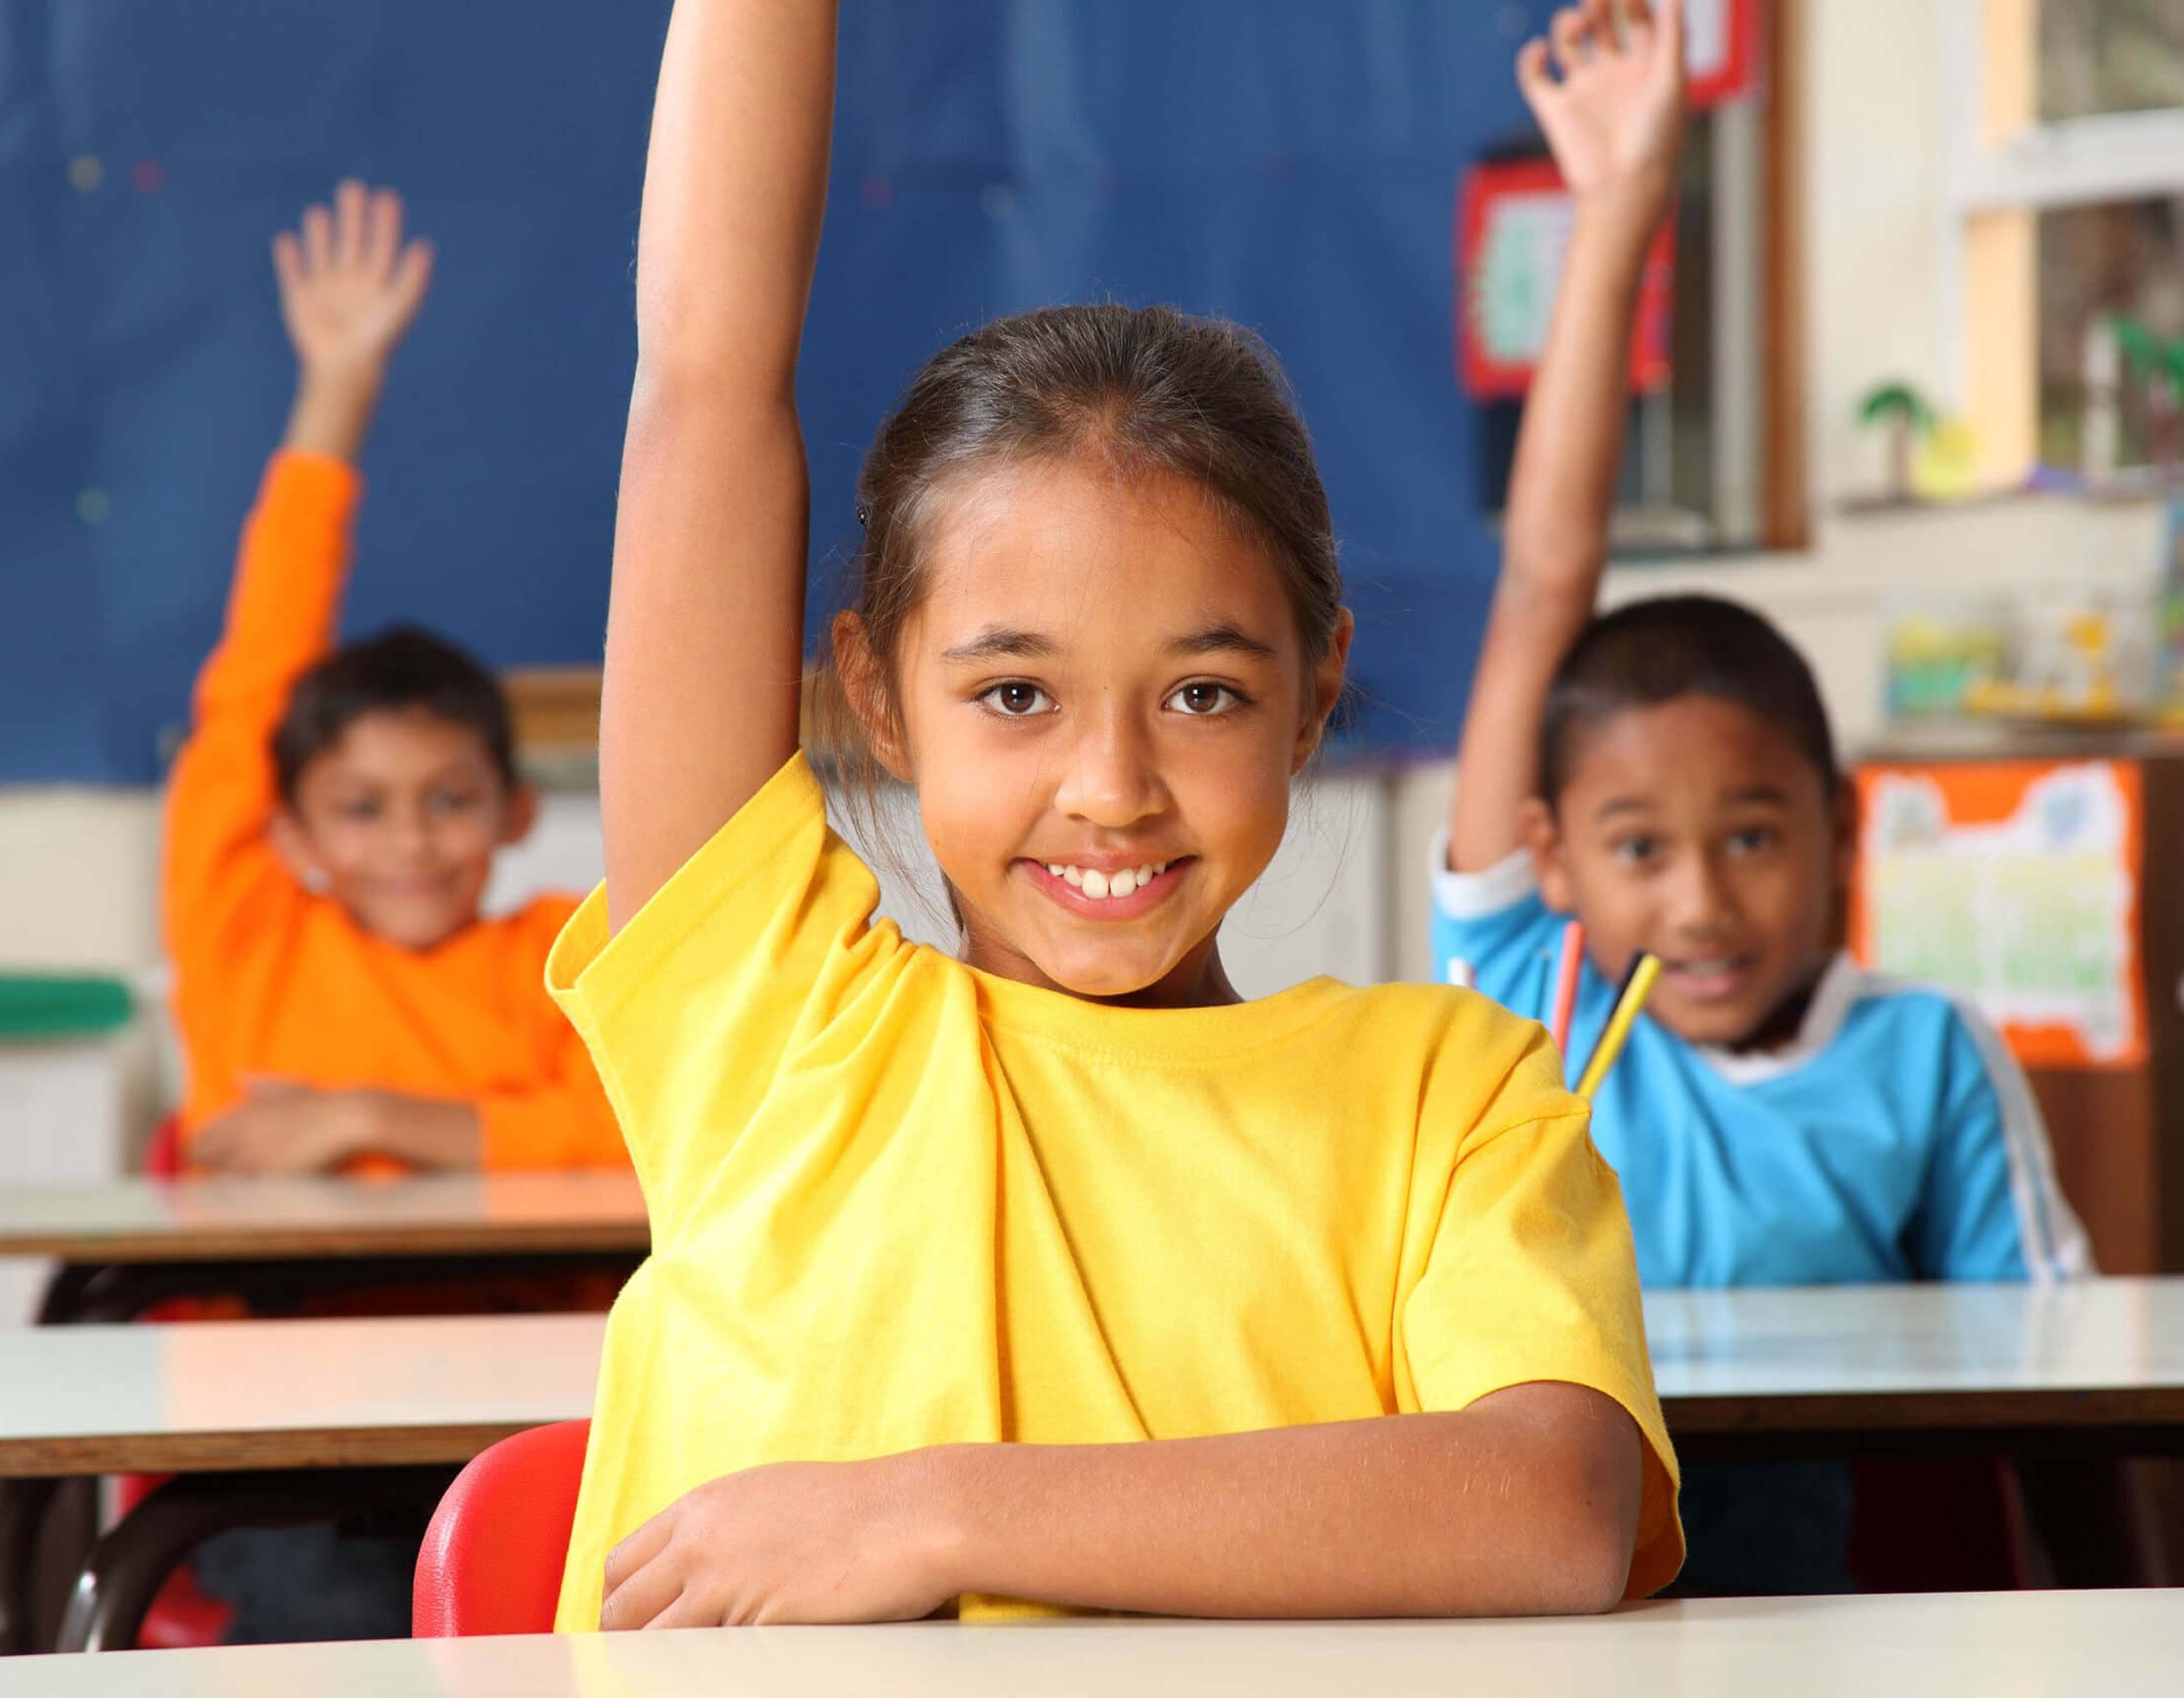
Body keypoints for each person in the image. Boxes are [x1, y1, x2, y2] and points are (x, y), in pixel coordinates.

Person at [543, 0, 1687, 1631]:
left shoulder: (1451, 1095)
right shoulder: (771, 1028)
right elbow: (704, 384)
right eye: (1016, 693)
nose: (1111, 786)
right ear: (877, 694)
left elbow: (1553, 1506)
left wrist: (941, 1508)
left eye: (1205, 692)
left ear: (1313, 693)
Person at [1436, 0, 2087, 1593]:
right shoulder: (1532, 1002)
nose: (1703, 903)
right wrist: (1623, 204)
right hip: (1567, 1616)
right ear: (1549, 860)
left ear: (1841, 836)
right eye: (1638, 847)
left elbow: (2072, 1395)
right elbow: (1540, 583)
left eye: (1751, 835)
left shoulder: (1923, 1058)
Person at [166, 180, 625, 1178]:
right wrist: (341, 384)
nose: (410, 841)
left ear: (515, 812)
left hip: (517, 1330)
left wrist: (368, 1119)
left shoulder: (563, 961)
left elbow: (646, 1140)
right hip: (267, 1333)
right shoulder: (247, 931)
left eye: (450, 799)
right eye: (362, 808)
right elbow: (259, 665)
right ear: (291, 830)